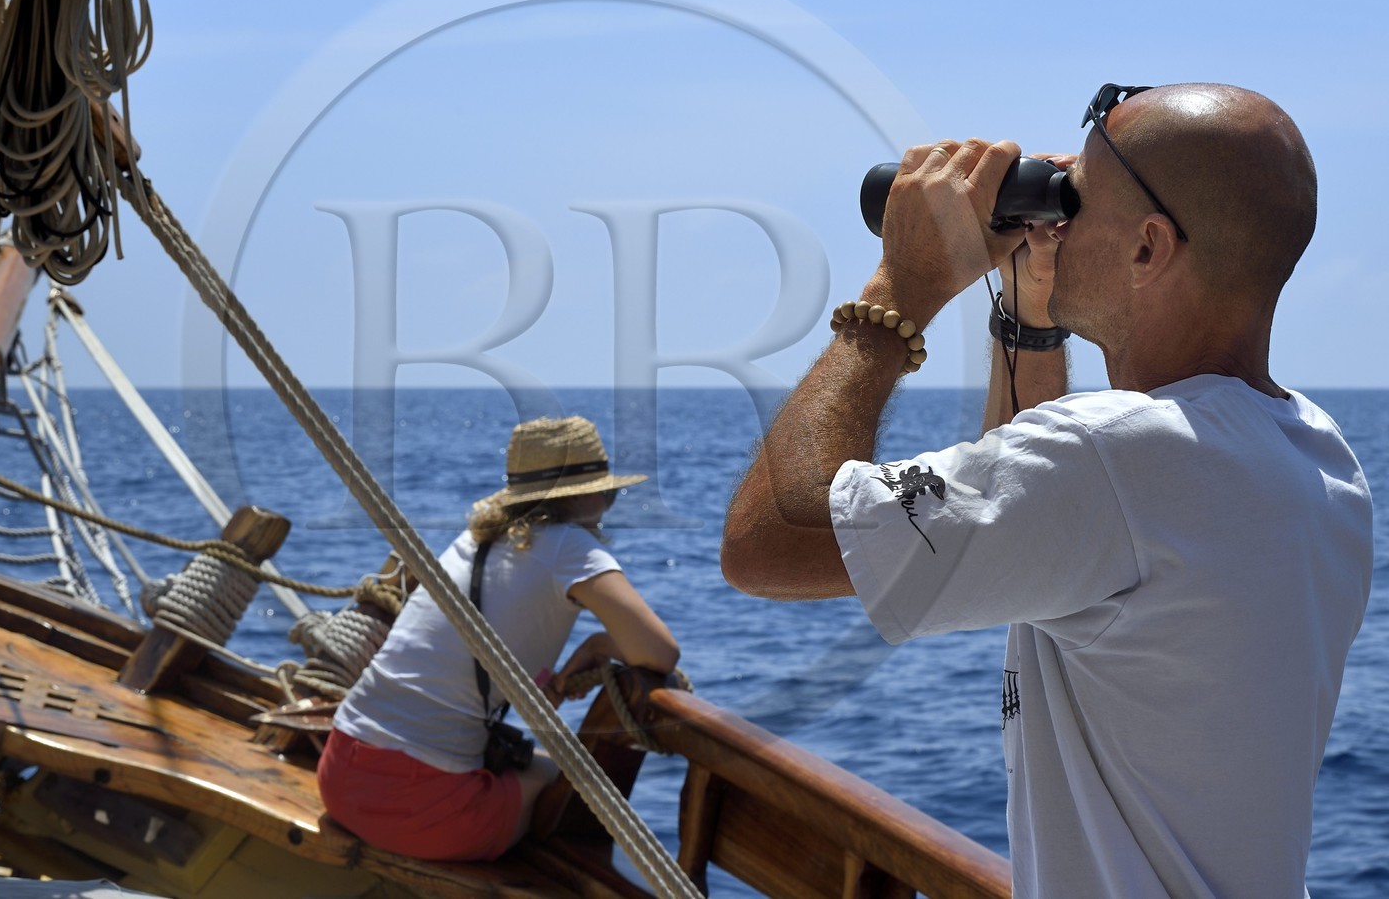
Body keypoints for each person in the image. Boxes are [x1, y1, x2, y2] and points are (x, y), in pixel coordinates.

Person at [720, 83, 1372, 898]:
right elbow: (1042, 498)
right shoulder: (1311, 451)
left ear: (1147, 248)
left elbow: (766, 542)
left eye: (1078, 200)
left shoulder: (1114, 461)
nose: (1054, 220)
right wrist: (1031, 313)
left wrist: (899, 289)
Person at [319, 415, 679, 862]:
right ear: (581, 495)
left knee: (536, 764)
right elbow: (660, 652)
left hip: (339, 773)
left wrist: (592, 647)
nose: (609, 500)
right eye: (607, 491)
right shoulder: (572, 548)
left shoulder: (474, 539)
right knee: (569, 788)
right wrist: (602, 646)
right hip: (417, 810)